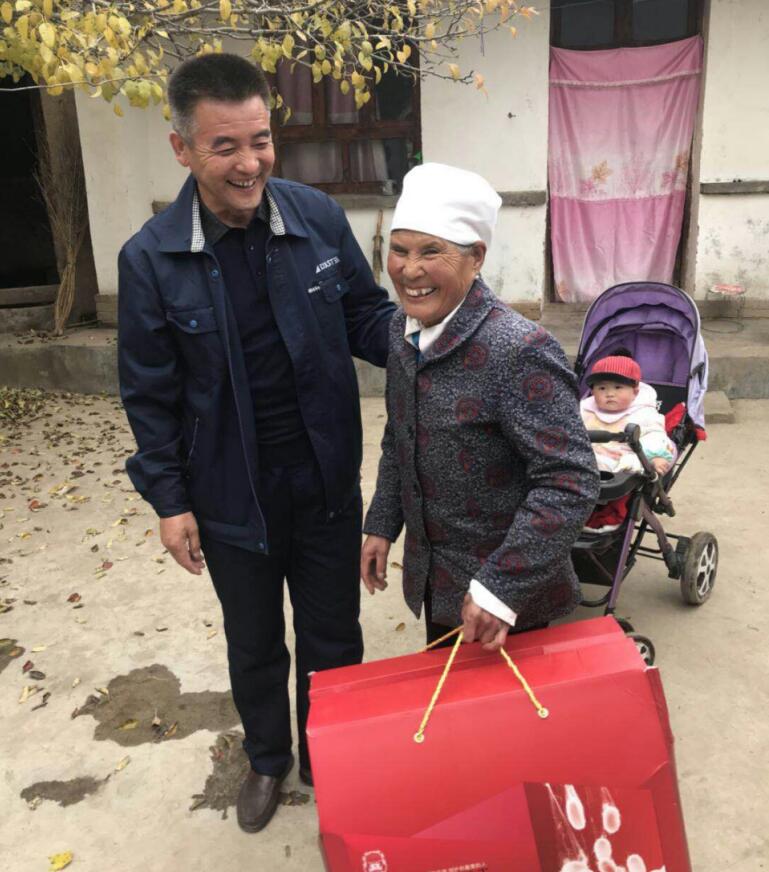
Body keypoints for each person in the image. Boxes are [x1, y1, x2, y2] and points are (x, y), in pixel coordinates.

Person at [117, 53, 395, 834]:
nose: (250, 164)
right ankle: (269, 758)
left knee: (334, 634)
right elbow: (148, 393)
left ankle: (332, 754)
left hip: (324, 478)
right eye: (225, 147)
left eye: (261, 140)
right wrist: (170, 501)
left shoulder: (316, 218)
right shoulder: (150, 258)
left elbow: (365, 316)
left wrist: (432, 336)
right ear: (182, 149)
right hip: (230, 493)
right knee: (255, 643)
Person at [360, 163, 600, 651]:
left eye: (431, 251)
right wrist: (382, 523)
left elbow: (570, 480)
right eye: (400, 250)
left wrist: (500, 588)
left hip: (503, 602)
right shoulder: (401, 330)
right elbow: (399, 435)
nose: (409, 270)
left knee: (506, 701)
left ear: (476, 258)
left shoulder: (519, 349)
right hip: (437, 583)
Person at [580, 353, 675, 476]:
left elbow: (654, 436)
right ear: (593, 392)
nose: (610, 394)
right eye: (602, 388)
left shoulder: (644, 413)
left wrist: (655, 456)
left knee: (634, 462)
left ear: (635, 392)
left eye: (618, 387)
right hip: (588, 457)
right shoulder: (585, 409)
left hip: (624, 462)